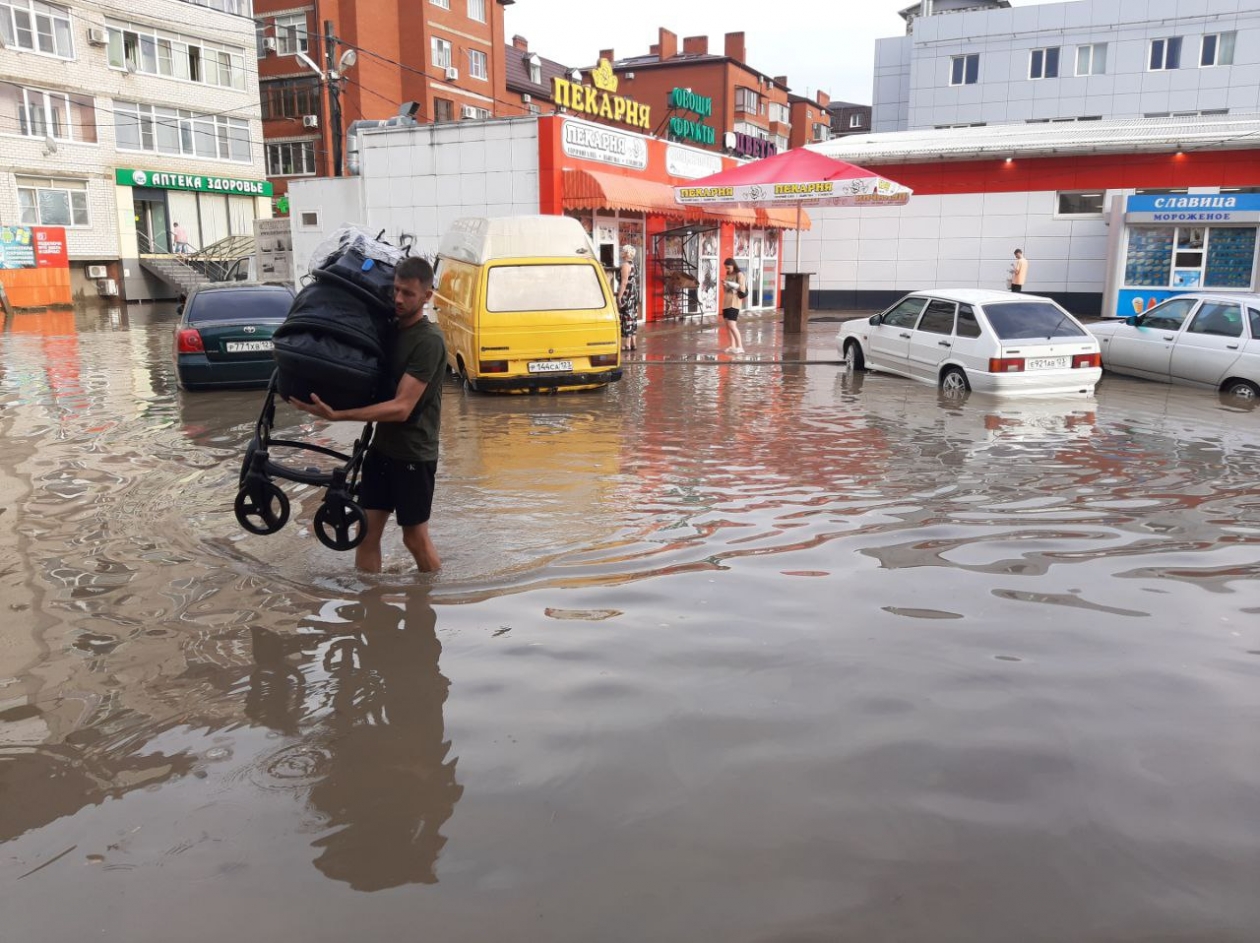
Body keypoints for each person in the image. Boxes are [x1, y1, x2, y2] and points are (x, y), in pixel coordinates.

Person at [288, 256, 446, 573]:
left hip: (413, 456)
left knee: (414, 539)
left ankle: (431, 601)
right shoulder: (388, 329)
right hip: (380, 450)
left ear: (427, 296)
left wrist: (337, 415)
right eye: (396, 290)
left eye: (409, 294)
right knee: (366, 535)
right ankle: (369, 608)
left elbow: (402, 408)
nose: (399, 299)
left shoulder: (429, 342)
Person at [720, 257, 747, 353]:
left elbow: (742, 289)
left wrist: (731, 284)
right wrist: (724, 285)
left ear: (733, 265)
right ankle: (732, 345)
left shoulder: (739, 274)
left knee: (732, 325)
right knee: (727, 325)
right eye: (726, 268)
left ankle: (740, 346)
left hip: (734, 303)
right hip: (726, 303)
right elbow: (726, 291)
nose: (727, 270)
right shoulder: (728, 275)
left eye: (728, 268)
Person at [616, 245, 639, 353]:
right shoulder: (633, 264)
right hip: (633, 293)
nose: (621, 252)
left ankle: (627, 344)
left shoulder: (625, 265)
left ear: (626, 253)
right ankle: (633, 342)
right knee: (632, 316)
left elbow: (624, 282)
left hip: (627, 294)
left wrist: (619, 296)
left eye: (623, 251)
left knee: (626, 317)